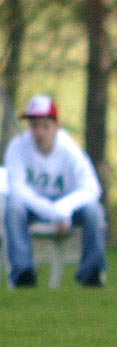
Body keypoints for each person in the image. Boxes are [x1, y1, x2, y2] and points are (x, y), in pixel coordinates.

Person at [3, 95, 107, 287]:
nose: (39, 132)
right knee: (13, 209)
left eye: (45, 126)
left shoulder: (69, 149)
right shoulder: (17, 147)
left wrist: (64, 209)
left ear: (56, 126)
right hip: (32, 207)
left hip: (66, 205)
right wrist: (53, 212)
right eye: (34, 126)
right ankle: (23, 273)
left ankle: (91, 273)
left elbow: (91, 187)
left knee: (93, 211)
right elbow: (17, 189)